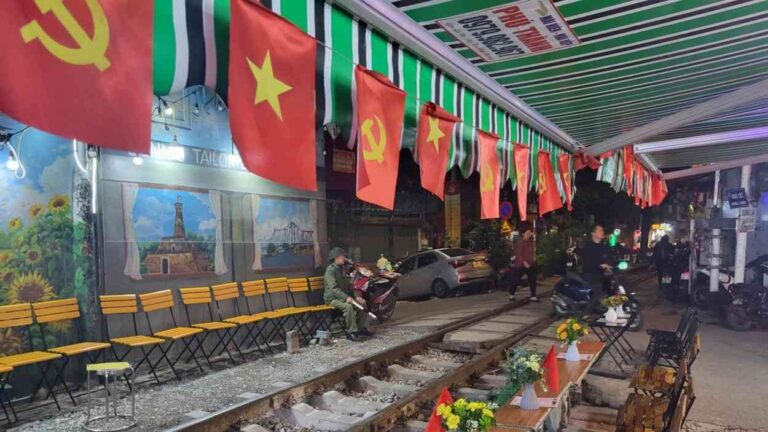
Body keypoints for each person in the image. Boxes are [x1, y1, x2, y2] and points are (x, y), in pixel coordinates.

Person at [323, 247, 370, 341]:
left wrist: (357, 297)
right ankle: (351, 332)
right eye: (342, 256)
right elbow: (334, 289)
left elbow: (349, 286)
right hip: (332, 299)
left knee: (362, 303)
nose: (344, 258)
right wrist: (346, 297)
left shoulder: (342, 269)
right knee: (348, 307)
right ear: (336, 257)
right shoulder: (330, 270)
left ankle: (360, 329)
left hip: (344, 297)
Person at [579, 224, 613, 295]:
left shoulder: (604, 247)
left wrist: (610, 265)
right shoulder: (588, 247)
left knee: (620, 282)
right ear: (593, 233)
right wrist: (600, 265)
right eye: (600, 230)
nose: (602, 232)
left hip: (603, 275)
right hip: (591, 275)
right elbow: (588, 263)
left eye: (602, 230)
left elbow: (609, 258)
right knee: (598, 292)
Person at [508, 223, 538, 302]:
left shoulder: (531, 242)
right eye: (527, 233)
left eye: (529, 233)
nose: (529, 235)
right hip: (521, 264)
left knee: (532, 279)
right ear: (523, 234)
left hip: (530, 263)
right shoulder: (520, 242)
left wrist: (534, 260)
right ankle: (511, 294)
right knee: (516, 279)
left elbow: (533, 252)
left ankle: (533, 295)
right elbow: (519, 254)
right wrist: (524, 262)